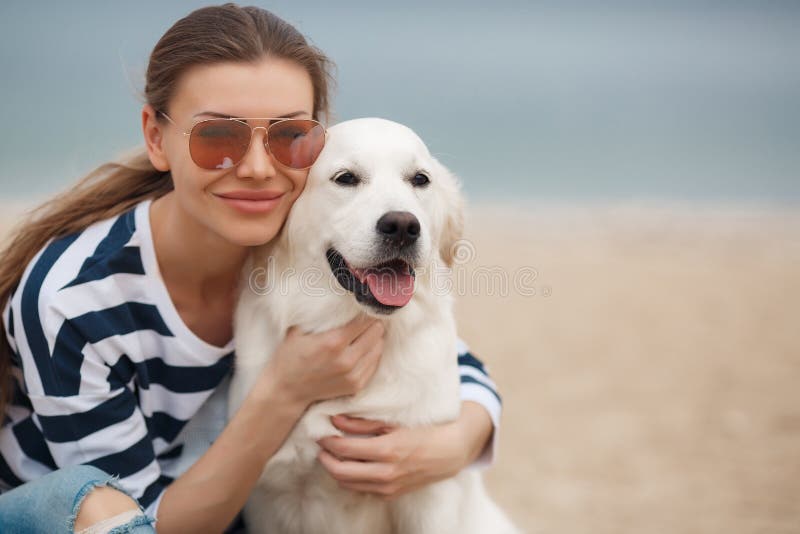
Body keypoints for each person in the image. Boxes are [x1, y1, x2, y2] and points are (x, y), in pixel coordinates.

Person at [0, 4, 502, 533]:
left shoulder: (293, 241)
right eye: (217, 136)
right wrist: (283, 394)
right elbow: (136, 525)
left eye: (287, 136)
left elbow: (442, 347)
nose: (259, 169)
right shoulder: (75, 301)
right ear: (156, 138)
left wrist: (459, 440)